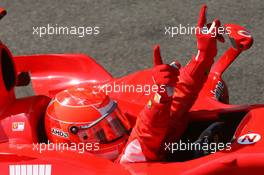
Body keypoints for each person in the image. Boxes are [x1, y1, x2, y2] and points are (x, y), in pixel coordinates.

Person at [44, 4, 223, 163]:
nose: (117, 133)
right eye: (101, 133)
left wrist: (203, 57)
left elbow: (178, 102)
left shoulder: (131, 146)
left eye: (114, 123)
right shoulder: (129, 160)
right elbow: (146, 134)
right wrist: (160, 98)